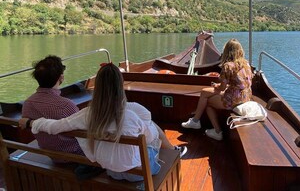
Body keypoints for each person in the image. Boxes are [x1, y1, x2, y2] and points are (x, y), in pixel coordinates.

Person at [20, 63, 187, 182]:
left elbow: (54, 126)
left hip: (111, 171)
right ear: (121, 85)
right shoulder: (135, 112)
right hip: (139, 173)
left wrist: (30, 123)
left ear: (97, 87)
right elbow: (150, 139)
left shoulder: (86, 114)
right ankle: (175, 152)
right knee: (154, 134)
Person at [181, 38, 254, 141]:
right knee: (206, 93)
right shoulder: (246, 64)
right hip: (246, 96)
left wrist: (217, 86)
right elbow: (239, 83)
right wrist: (220, 86)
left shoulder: (228, 66)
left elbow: (222, 88)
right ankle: (196, 122)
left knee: (206, 99)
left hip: (234, 99)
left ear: (227, 51)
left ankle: (208, 127)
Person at [22, 55, 84, 157]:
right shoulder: (66, 105)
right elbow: (83, 132)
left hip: (50, 153)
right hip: (75, 155)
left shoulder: (27, 104)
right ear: (61, 77)